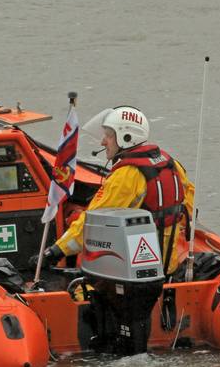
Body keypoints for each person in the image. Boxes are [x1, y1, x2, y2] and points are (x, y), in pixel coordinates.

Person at [36, 106, 195, 277]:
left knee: (80, 288)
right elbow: (188, 206)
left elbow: (92, 223)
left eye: (109, 136)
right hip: (168, 266)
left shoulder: (125, 176)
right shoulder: (171, 164)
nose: (103, 142)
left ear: (126, 138)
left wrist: (55, 251)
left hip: (132, 272)